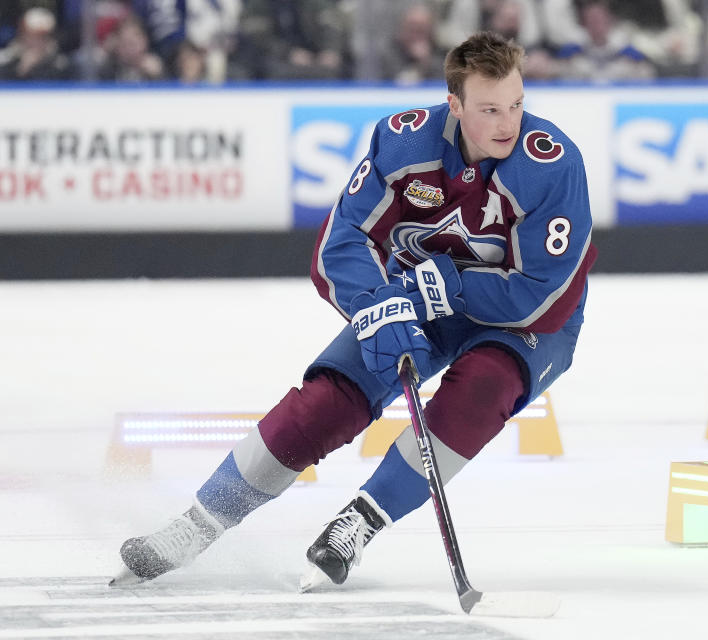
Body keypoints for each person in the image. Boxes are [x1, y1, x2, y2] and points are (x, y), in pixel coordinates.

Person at [110, 30, 598, 589]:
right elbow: (341, 241)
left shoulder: (551, 166)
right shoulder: (402, 143)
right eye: (489, 109)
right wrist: (375, 306)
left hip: (528, 320)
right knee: (328, 399)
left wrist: (444, 288)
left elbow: (541, 289)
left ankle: (360, 522)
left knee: (480, 390)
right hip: (416, 296)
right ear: (455, 105)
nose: (508, 123)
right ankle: (197, 524)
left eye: (516, 104)